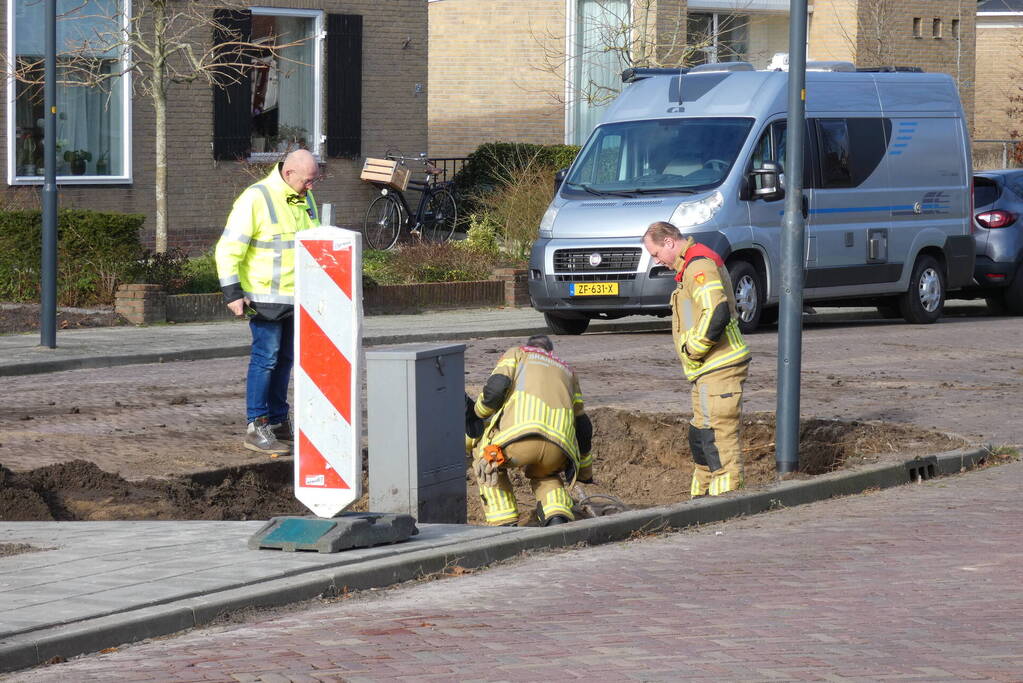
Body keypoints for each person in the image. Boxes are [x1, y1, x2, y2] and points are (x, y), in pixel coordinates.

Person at [215, 149, 321, 455]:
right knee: (267, 359)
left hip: (297, 298)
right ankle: (256, 425)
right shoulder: (255, 198)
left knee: (286, 359)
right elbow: (227, 249)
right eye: (307, 181)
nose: (311, 187)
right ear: (289, 175)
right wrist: (233, 293)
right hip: (265, 299)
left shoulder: (304, 198)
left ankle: (276, 421)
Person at [642, 221, 751, 496]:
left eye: (656, 253)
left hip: (719, 365)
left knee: (717, 437)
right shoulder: (689, 267)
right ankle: (701, 497)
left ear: (669, 242)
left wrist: (693, 349)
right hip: (706, 369)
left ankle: (726, 500)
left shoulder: (698, 266)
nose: (657, 260)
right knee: (702, 436)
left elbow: (717, 312)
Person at [468, 334, 593, 526]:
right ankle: (557, 520)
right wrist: (584, 471)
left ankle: (504, 522)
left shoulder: (517, 353)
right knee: (546, 476)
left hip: (519, 439)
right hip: (558, 447)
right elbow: (583, 425)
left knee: (487, 462)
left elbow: (496, 388)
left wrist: (478, 412)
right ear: (550, 353)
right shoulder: (568, 371)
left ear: (529, 347)